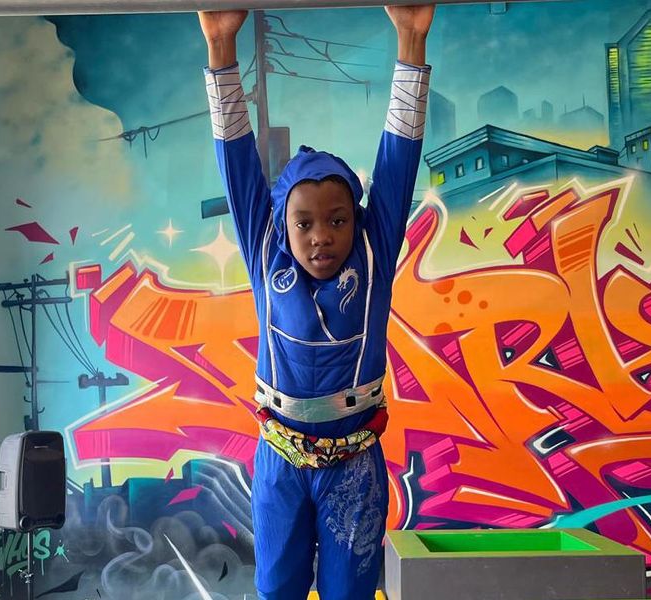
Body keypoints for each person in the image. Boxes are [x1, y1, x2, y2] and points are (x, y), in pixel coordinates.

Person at [198, 5, 434, 600]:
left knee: (348, 593)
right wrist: (221, 49)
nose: (321, 237)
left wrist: (411, 40)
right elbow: (236, 160)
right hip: (278, 459)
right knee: (276, 588)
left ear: (358, 219)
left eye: (337, 220)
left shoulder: (374, 251)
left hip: (354, 463)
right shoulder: (265, 250)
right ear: (283, 224)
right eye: (304, 223)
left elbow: (399, 157)